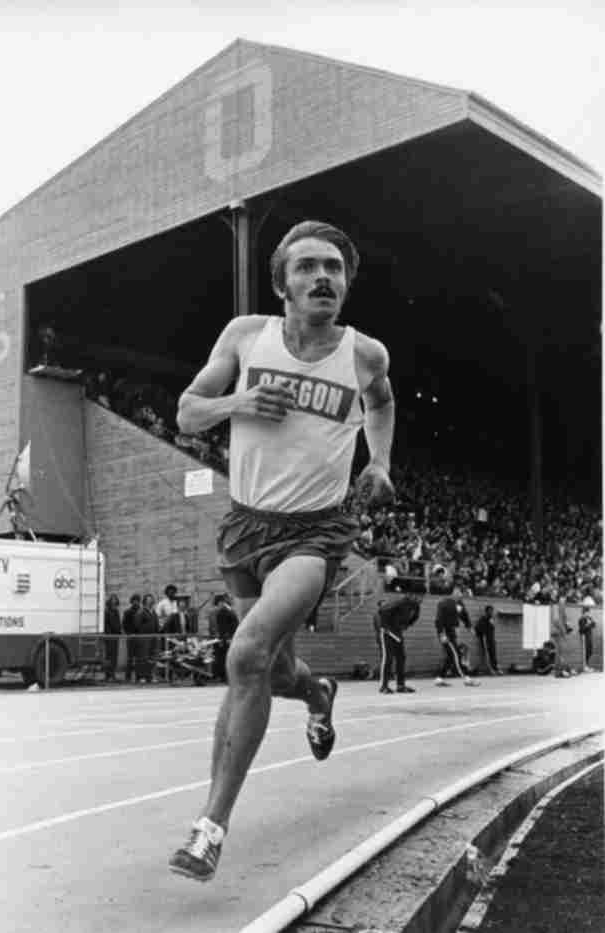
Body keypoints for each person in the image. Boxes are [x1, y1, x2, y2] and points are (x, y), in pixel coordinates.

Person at [168, 220, 395, 881]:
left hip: (314, 535)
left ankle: (209, 828)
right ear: (282, 285)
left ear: (346, 284)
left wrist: (379, 460)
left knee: (245, 655)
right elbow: (187, 412)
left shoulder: (365, 354)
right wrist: (240, 400)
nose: (323, 276)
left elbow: (382, 404)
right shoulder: (246, 336)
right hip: (246, 527)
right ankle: (318, 692)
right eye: (307, 266)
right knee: (274, 672)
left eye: (334, 267)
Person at [374, 594, 421, 694]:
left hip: (397, 633)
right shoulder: (400, 602)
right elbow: (381, 612)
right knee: (388, 658)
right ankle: (383, 686)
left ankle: (400, 685)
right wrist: (385, 628)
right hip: (387, 633)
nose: (420, 599)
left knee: (401, 658)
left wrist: (405, 625)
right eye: (418, 596)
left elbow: (415, 618)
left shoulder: (416, 606)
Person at [434, 592, 479, 687]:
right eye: (458, 592)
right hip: (445, 632)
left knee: (451, 656)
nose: (460, 595)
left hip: (453, 632)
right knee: (456, 655)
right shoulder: (444, 603)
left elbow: (464, 616)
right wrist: (441, 633)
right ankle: (466, 678)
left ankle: (439, 679)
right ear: (453, 592)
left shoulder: (460, 604)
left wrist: (469, 627)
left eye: (461, 593)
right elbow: (438, 619)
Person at [209, 593, 240, 682]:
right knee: (223, 657)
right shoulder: (222, 611)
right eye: (229, 598)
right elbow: (222, 626)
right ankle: (223, 676)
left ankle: (226, 676)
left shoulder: (229, 609)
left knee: (225, 657)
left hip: (231, 637)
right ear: (225, 600)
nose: (232, 599)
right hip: (227, 639)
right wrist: (225, 638)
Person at [474, 604, 502, 675]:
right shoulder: (482, 619)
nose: (491, 612)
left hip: (491, 640)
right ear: (486, 611)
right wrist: (482, 635)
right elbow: (477, 629)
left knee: (493, 655)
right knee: (487, 655)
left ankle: (496, 668)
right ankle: (490, 669)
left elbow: (492, 629)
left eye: (492, 611)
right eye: (490, 611)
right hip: (485, 640)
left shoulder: (491, 619)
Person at [121, 593, 141, 682]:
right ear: (131, 602)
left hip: (140, 637)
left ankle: (138, 676)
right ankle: (128, 677)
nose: (136, 602)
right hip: (130, 637)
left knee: (139, 658)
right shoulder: (127, 612)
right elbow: (124, 625)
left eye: (137, 601)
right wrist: (129, 634)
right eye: (134, 601)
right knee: (130, 658)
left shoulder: (142, 611)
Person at [103, 594, 122, 681]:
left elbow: (118, 623)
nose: (114, 602)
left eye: (115, 600)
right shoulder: (107, 612)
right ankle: (108, 674)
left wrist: (119, 631)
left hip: (115, 637)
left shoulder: (116, 611)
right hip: (109, 637)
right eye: (112, 600)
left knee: (114, 656)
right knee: (109, 656)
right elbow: (107, 625)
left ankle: (112, 674)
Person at [578, 602, 596, 672]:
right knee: (585, 651)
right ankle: (585, 666)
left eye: (589, 612)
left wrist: (591, 622)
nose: (589, 614)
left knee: (590, 651)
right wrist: (588, 625)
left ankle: (587, 665)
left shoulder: (589, 618)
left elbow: (594, 625)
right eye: (587, 612)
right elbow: (581, 630)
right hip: (584, 638)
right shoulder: (581, 619)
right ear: (584, 612)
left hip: (589, 637)